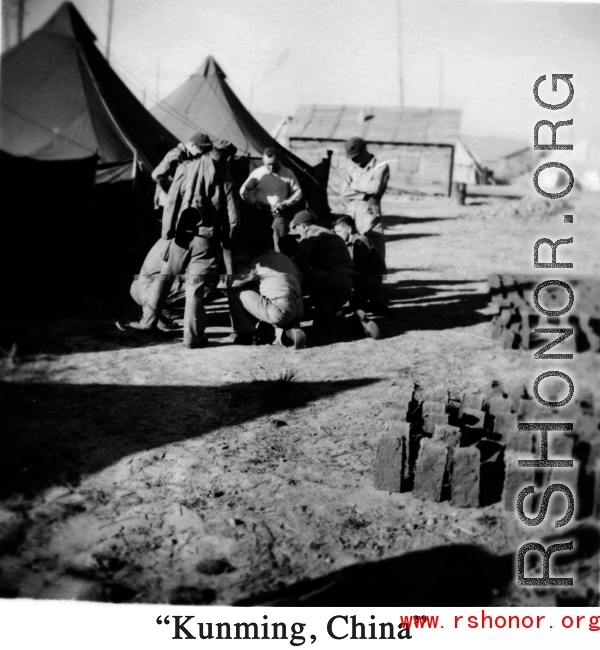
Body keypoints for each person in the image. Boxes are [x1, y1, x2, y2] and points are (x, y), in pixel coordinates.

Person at [120, 140, 240, 349]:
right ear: (228, 158)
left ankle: (147, 323)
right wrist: (225, 241)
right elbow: (234, 220)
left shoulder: (185, 168)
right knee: (196, 287)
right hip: (205, 241)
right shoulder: (226, 181)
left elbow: (172, 202)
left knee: (164, 278)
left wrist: (168, 232)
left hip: (180, 236)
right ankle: (192, 338)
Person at [227, 247, 306, 349]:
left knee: (235, 291)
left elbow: (233, 283)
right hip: (298, 309)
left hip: (280, 310)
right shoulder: (285, 258)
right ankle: (288, 331)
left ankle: (247, 334)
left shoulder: (259, 262)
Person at [289, 210, 355, 330]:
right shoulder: (328, 232)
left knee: (292, 280)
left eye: (296, 230)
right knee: (323, 323)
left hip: (330, 278)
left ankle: (291, 319)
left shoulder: (310, 233)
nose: (297, 235)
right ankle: (355, 323)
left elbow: (300, 263)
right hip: (347, 281)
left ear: (302, 226)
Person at [240, 147, 303, 255]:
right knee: (259, 243)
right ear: (263, 161)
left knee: (281, 245)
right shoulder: (259, 173)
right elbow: (243, 191)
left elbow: (298, 192)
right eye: (268, 164)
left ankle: (283, 268)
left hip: (279, 215)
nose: (271, 167)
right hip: (262, 213)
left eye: (273, 164)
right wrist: (254, 202)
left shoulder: (287, 173)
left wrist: (286, 203)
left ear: (278, 160)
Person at [340, 137, 390, 260]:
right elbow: (344, 192)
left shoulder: (380, 167)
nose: (354, 160)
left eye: (356, 156)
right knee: (351, 248)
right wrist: (364, 195)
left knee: (373, 247)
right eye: (352, 157)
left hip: (369, 214)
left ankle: (376, 279)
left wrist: (353, 185)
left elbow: (375, 188)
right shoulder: (351, 168)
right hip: (352, 213)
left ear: (364, 151)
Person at [333, 216, 387, 315]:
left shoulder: (359, 241)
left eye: (339, 231)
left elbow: (358, 266)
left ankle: (367, 304)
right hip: (367, 275)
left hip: (371, 276)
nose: (337, 235)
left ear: (349, 229)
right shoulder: (350, 242)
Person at [151, 133, 212, 209]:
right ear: (193, 145)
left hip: (171, 202)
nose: (201, 153)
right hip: (166, 203)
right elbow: (157, 175)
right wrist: (173, 192)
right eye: (201, 148)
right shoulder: (177, 155)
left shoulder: (186, 155)